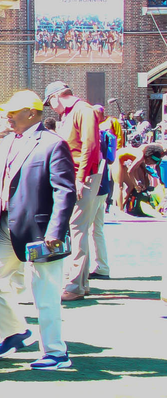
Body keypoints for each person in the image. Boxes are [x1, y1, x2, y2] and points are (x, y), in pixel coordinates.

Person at [0, 91, 77, 371]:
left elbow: (65, 191)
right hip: (3, 226)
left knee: (45, 293)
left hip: (39, 230)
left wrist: (56, 230)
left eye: (15, 112)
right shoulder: (7, 141)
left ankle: (56, 352)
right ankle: (15, 332)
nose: (9, 116)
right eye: (8, 112)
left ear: (33, 113)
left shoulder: (52, 144)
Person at [43, 81, 101, 301]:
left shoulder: (83, 110)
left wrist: (80, 177)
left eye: (50, 103)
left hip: (82, 176)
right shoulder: (71, 113)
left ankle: (75, 285)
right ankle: (81, 283)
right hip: (76, 175)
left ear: (56, 97)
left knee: (77, 230)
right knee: (78, 229)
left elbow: (90, 145)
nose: (51, 108)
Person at [89, 104, 115, 279]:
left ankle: (78, 271)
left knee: (81, 229)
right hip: (104, 184)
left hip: (93, 185)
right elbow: (111, 159)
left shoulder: (93, 135)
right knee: (97, 229)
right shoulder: (107, 135)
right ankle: (103, 266)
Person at [111, 142, 165, 216]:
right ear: (149, 158)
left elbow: (133, 171)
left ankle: (120, 208)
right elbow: (130, 171)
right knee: (119, 185)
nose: (149, 164)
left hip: (125, 161)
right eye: (150, 163)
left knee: (130, 186)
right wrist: (136, 184)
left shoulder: (143, 158)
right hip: (117, 159)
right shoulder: (140, 157)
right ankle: (119, 210)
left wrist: (136, 183)